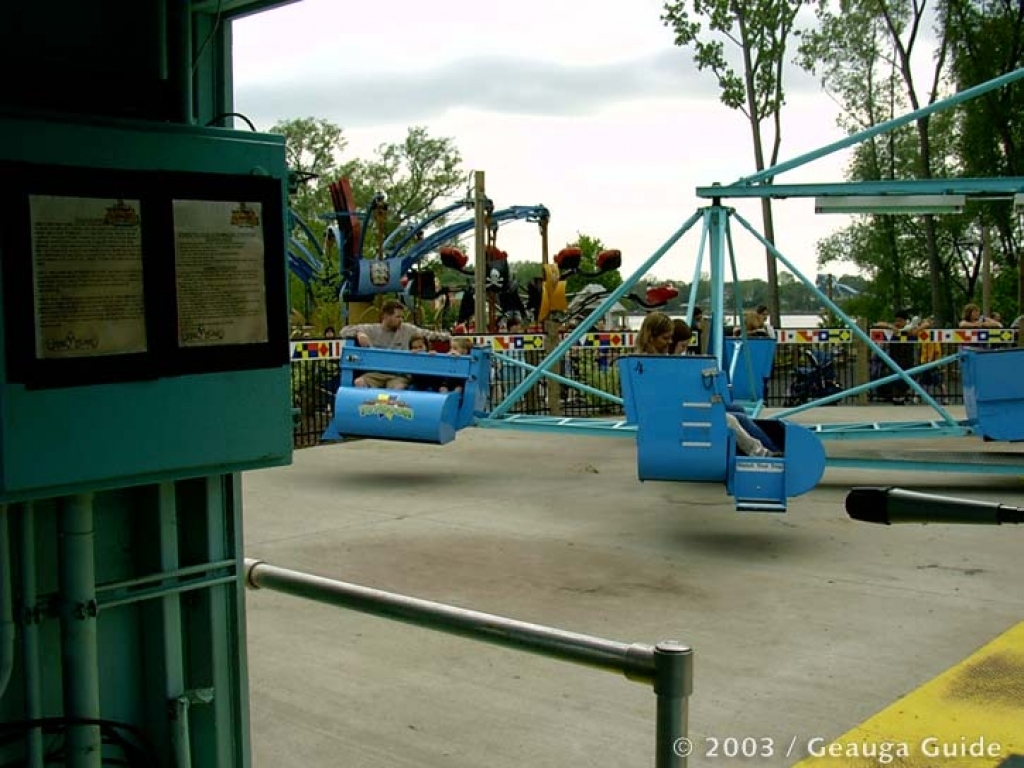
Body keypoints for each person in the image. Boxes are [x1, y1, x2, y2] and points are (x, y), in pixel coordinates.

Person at [634, 313, 780, 457]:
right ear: (651, 336)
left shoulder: (648, 361)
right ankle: (764, 454)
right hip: (673, 412)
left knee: (735, 415)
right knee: (731, 419)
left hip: (674, 409)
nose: (669, 342)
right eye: (665, 338)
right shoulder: (650, 363)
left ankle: (771, 449)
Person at [340, 299, 450, 389]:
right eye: (398, 317)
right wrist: (359, 334)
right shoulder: (372, 329)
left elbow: (430, 334)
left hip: (399, 375)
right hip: (377, 374)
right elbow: (344, 331)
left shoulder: (408, 329)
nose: (401, 320)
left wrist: (450, 337)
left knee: (396, 389)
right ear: (386, 316)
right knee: (359, 382)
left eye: (402, 317)